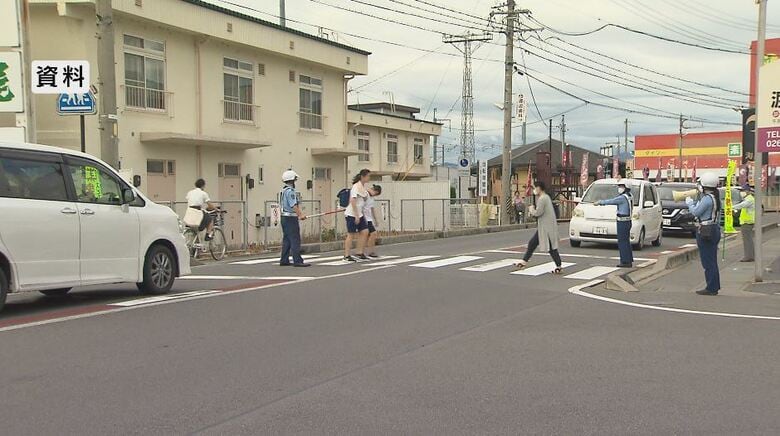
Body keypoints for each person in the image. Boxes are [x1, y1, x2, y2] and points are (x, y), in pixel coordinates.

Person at [514, 181, 564, 274]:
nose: (534, 190)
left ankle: (559, 266)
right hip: (545, 227)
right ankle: (524, 261)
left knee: (550, 248)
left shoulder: (542, 199)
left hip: (546, 228)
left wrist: (531, 209)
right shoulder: (546, 197)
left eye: (535, 188)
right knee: (533, 243)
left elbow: (538, 213)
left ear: (539, 188)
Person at [686, 173, 722, 296]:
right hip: (714, 228)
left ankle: (711, 287)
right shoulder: (714, 197)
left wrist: (689, 203)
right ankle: (714, 286)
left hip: (706, 230)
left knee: (707, 261)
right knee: (712, 259)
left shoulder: (707, 199)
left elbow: (696, 212)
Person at [594, 179, 634, 268]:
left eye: (621, 186)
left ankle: (625, 261)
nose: (619, 188)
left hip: (622, 221)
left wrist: (600, 202)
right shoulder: (630, 196)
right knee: (626, 242)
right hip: (628, 221)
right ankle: (628, 260)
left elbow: (611, 201)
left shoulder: (622, 198)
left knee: (622, 242)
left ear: (626, 187)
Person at [279, 170, 309, 267]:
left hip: (284, 217)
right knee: (295, 239)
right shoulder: (290, 192)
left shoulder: (283, 190)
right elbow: (294, 205)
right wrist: (300, 215)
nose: (295, 182)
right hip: (290, 218)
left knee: (287, 239)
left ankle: (284, 259)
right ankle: (297, 260)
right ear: (291, 180)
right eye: (295, 180)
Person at [343, 169, 371, 262]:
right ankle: (346, 255)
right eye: (368, 176)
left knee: (365, 231)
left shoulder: (363, 187)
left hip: (360, 214)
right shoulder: (356, 186)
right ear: (363, 176)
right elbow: (353, 201)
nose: (369, 178)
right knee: (351, 234)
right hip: (352, 214)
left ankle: (359, 252)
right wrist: (356, 215)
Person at [733, 184, 756, 262]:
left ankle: (748, 256)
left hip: (747, 222)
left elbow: (741, 205)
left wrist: (731, 207)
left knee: (747, 240)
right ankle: (750, 255)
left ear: (748, 191)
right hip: (747, 222)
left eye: (743, 190)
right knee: (748, 240)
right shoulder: (748, 199)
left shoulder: (749, 199)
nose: (742, 192)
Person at [364, 184, 382, 258]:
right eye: (376, 193)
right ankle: (370, 251)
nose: (375, 195)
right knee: (373, 234)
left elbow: (372, 209)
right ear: (375, 191)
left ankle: (369, 251)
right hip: (364, 218)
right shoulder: (366, 195)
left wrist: (376, 220)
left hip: (369, 219)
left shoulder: (371, 198)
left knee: (369, 235)